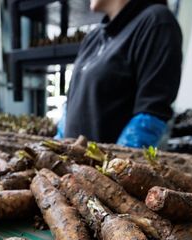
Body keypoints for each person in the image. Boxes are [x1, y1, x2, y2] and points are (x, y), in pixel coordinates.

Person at [57, 0, 182, 148]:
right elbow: (71, 103)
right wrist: (57, 146)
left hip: (105, 167)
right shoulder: (93, 37)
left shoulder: (156, 21)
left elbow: (151, 112)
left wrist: (116, 166)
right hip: (71, 166)